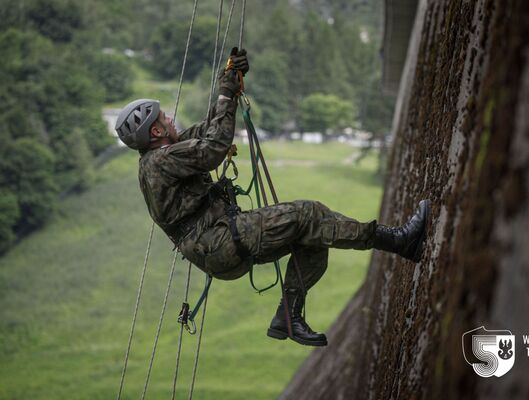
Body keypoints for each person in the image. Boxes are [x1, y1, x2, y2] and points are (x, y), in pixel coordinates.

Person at [115, 48, 430, 347]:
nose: (169, 119)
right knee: (308, 214)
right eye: (163, 119)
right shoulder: (161, 161)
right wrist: (225, 93)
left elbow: (209, 130)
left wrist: (230, 87)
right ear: (156, 133)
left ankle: (288, 319)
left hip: (219, 241)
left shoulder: (163, 154)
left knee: (312, 237)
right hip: (218, 241)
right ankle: (399, 241)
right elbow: (212, 147)